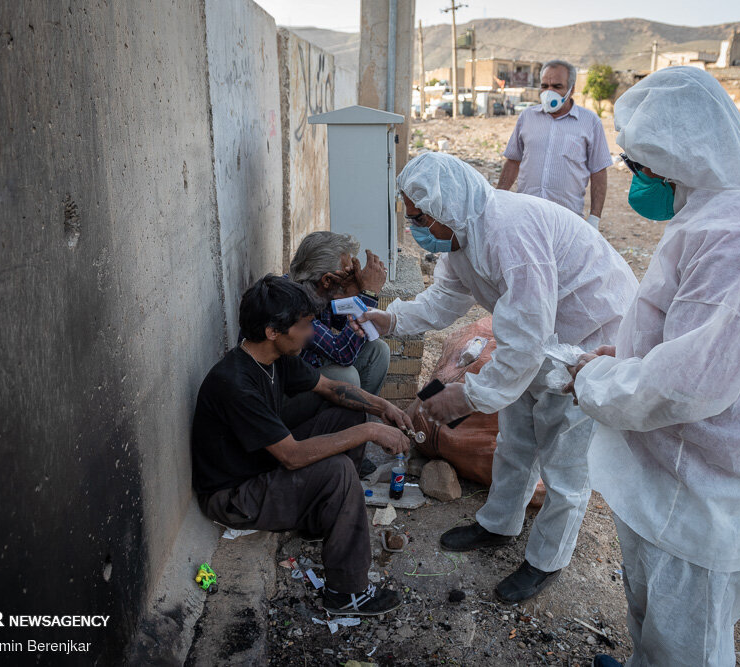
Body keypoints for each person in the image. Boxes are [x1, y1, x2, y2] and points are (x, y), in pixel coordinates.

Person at [564, 67, 740, 667]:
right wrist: (624, 357)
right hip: (679, 473)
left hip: (708, 490)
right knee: (652, 619)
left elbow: (687, 383)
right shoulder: (725, 207)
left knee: (688, 647)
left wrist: (593, 380)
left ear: (681, 155)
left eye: (641, 166)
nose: (638, 179)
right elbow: (688, 335)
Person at [357, 152, 638, 602]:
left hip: (588, 340)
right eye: (410, 217)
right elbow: (445, 299)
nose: (415, 227)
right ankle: (499, 524)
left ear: (446, 207)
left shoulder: (511, 234)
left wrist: (465, 397)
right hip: (544, 336)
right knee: (516, 437)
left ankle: (547, 560)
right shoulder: (461, 235)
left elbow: (525, 341)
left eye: (419, 217)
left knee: (565, 461)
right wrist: (390, 320)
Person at [191, 275, 412, 616]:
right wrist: (371, 432)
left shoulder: (273, 358)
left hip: (259, 465)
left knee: (347, 414)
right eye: (305, 325)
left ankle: (322, 515)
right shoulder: (235, 384)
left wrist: (383, 408)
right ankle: (347, 592)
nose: (311, 333)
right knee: (338, 469)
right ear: (272, 331)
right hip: (233, 497)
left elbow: (331, 388)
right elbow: (292, 457)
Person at [283, 231, 391, 432]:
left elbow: (351, 328)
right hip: (285, 398)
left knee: (377, 351)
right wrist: (369, 294)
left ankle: (360, 429)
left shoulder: (320, 291)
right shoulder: (293, 303)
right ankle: (340, 435)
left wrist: (355, 295)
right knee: (346, 377)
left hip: (310, 372)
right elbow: (343, 353)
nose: (350, 277)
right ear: (326, 280)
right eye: (346, 273)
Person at [497, 59, 612, 229]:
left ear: (571, 89)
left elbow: (599, 172)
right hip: (527, 215)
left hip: (567, 220)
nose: (549, 92)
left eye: (557, 87)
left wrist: (594, 218)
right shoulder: (527, 117)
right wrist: (498, 199)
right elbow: (513, 161)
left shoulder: (590, 122)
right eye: (544, 86)